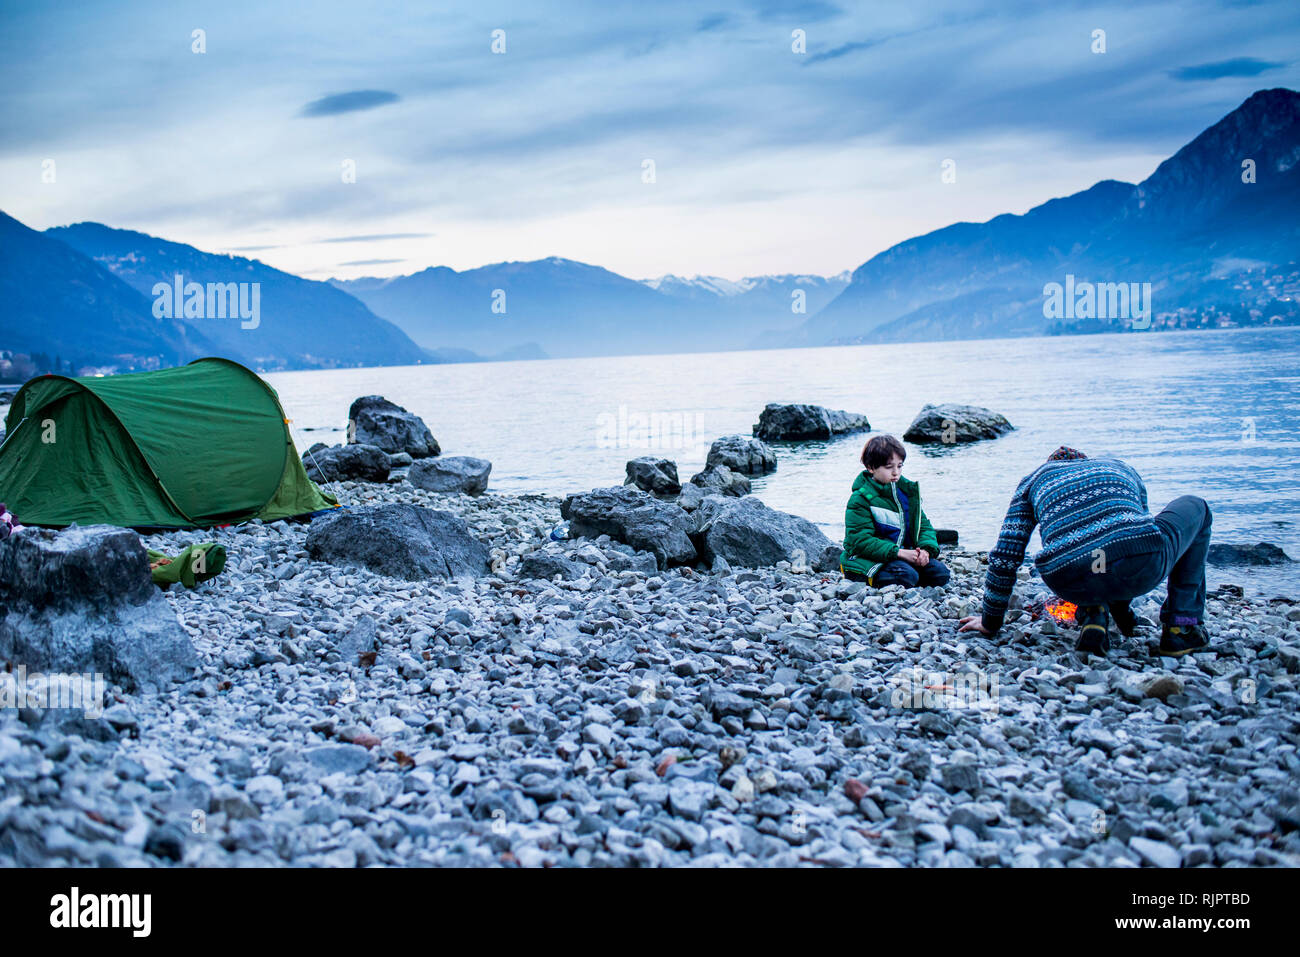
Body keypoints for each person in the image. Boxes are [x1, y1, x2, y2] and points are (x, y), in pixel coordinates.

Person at [958, 446, 1212, 657]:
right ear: (1086, 462)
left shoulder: (1033, 481)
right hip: (1139, 565)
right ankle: (1182, 627)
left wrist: (990, 622)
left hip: (1067, 578)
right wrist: (1126, 619)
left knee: (1087, 550)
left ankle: (1094, 615)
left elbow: (1005, 556)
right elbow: (1135, 536)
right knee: (1197, 508)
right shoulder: (1118, 467)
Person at [839, 434, 950, 589]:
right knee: (906, 576)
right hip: (868, 558)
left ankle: (908, 575)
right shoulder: (861, 498)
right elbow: (859, 541)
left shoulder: (907, 494)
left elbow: (924, 527)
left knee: (940, 573)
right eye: (889, 467)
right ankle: (859, 575)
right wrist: (899, 553)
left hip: (902, 556)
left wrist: (925, 550)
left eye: (900, 466)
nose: (896, 472)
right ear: (871, 468)